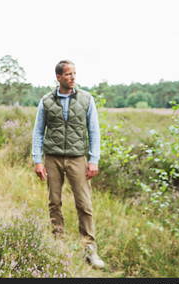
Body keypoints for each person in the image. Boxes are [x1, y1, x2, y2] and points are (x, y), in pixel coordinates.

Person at [31, 60, 105, 269]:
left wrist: (94, 160)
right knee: (54, 202)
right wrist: (38, 160)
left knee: (84, 204)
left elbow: (94, 131)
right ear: (58, 77)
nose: (73, 77)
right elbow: (38, 131)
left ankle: (90, 249)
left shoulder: (86, 99)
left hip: (77, 158)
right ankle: (58, 243)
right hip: (52, 158)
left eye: (74, 74)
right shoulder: (46, 101)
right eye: (68, 74)